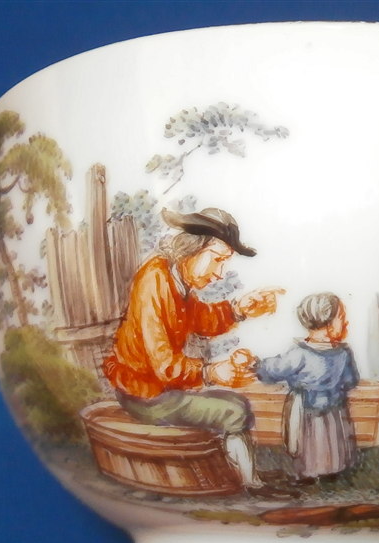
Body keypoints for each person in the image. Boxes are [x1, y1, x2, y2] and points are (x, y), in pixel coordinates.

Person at [103, 207, 293, 499]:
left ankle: (247, 474)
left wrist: (239, 309)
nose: (219, 273)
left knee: (234, 403)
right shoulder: (155, 280)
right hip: (146, 396)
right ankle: (251, 485)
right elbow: (165, 366)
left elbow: (199, 318)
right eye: (217, 259)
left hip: (158, 389)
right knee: (234, 410)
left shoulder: (173, 277)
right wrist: (211, 372)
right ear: (192, 247)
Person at [253, 292, 360, 485]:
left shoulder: (300, 353)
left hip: (306, 407)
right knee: (332, 438)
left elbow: (275, 369)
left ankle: (310, 473)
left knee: (310, 440)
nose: (346, 323)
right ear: (327, 322)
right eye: (342, 318)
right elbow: (351, 380)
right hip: (332, 407)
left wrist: (257, 366)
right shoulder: (343, 353)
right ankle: (332, 469)